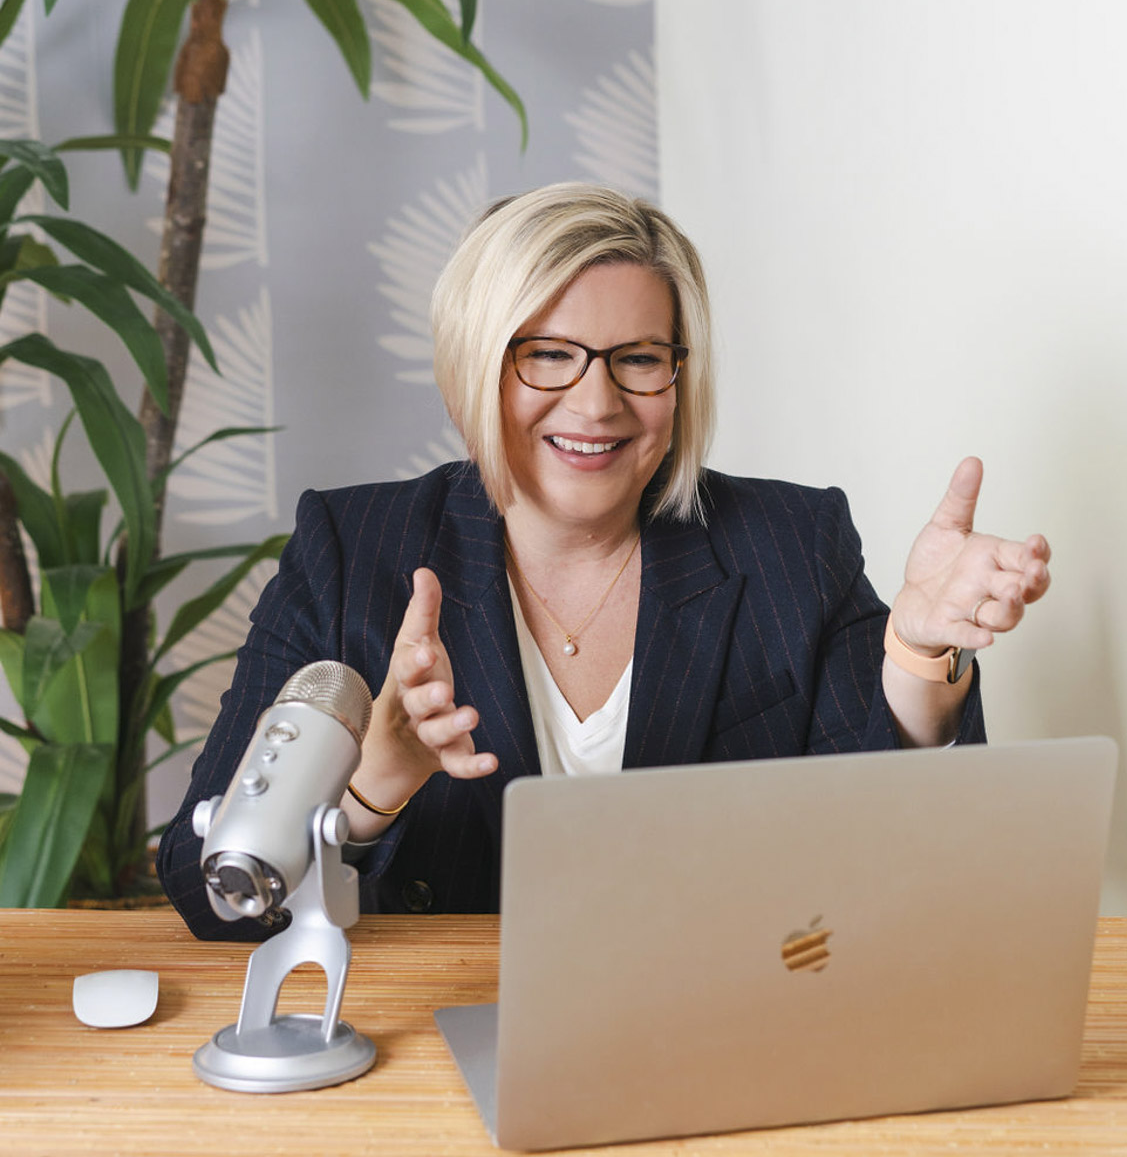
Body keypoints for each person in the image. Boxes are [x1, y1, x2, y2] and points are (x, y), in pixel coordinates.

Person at [158, 184, 1051, 938]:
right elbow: (207, 895)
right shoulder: (349, 549)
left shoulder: (792, 540)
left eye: (638, 359)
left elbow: (891, 856)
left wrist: (918, 654)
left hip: (716, 1030)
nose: (597, 402)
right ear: (472, 367)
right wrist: (374, 784)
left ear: (679, 377)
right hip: (435, 1036)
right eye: (548, 355)